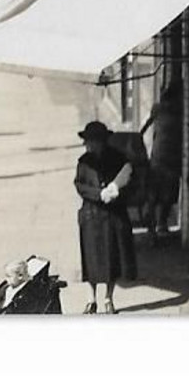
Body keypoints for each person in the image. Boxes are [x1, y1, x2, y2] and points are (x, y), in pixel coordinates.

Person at [74, 120, 137, 314]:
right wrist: (98, 194)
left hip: (113, 216)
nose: (88, 145)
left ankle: (108, 298)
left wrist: (116, 192)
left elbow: (129, 183)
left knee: (112, 259)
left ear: (101, 141)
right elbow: (80, 185)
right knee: (91, 260)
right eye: (87, 142)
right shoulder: (84, 161)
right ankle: (91, 299)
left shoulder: (118, 159)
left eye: (91, 141)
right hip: (91, 216)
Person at [139, 77, 183, 245]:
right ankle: (160, 225)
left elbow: (146, 126)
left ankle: (153, 228)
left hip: (159, 156)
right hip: (171, 158)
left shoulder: (158, 109)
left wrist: (138, 137)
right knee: (166, 194)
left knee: (155, 194)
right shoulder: (179, 110)